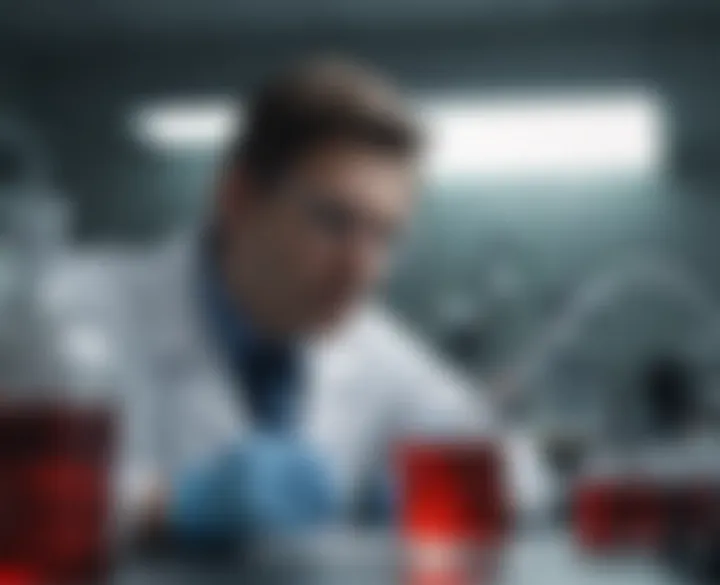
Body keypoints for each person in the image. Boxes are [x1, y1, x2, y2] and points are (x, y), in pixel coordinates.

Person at [113, 58, 537, 543]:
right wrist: (162, 505)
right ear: (238, 198)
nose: (362, 270)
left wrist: (439, 489)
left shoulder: (370, 344)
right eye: (333, 222)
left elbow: (516, 470)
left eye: (386, 236)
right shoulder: (77, 313)